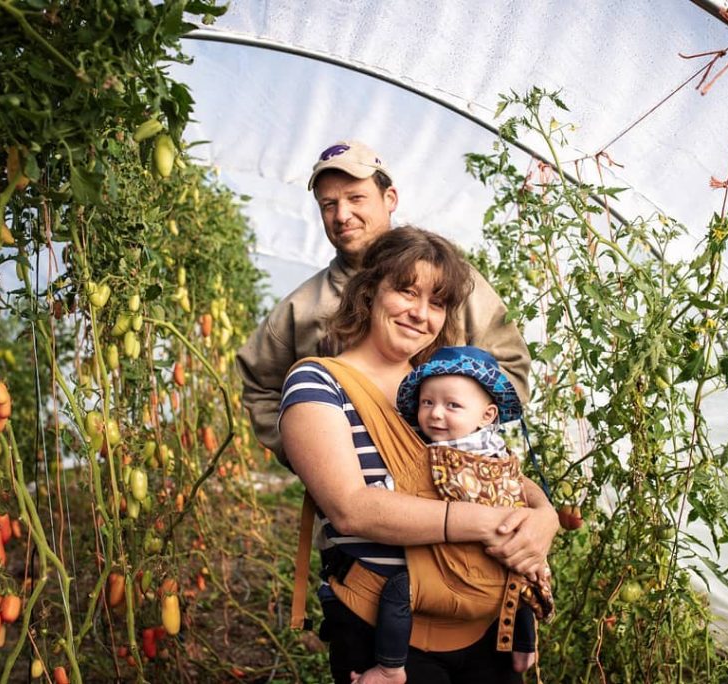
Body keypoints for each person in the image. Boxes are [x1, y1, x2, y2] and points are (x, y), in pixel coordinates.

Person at [279, 227, 559, 684]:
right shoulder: (318, 383)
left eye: (437, 302)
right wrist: (493, 523)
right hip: (384, 630)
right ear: (369, 292)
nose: (420, 313)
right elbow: (352, 509)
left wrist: (543, 517)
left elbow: (492, 465)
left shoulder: (441, 390)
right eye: (406, 292)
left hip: (482, 622)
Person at [238, 140, 531, 464]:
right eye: (328, 204)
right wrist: (309, 452)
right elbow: (260, 386)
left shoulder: (454, 281)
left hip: (456, 475)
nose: (342, 215)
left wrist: (462, 433)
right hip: (355, 487)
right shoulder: (302, 308)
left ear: (389, 198)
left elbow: (510, 366)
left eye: (356, 198)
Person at [356, 345, 554, 684]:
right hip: (498, 551)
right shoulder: (499, 450)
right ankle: (524, 647)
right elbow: (518, 484)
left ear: (487, 415)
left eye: (452, 406)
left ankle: (390, 667)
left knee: (398, 592)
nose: (435, 415)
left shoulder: (439, 453)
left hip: (460, 551)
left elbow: (407, 479)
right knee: (522, 580)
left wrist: (376, 492)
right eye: (427, 402)